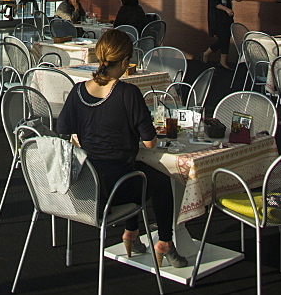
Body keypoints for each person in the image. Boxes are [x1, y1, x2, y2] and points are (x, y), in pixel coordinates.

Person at [57, 29, 188, 268]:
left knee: (134, 170)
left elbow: (64, 131)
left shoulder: (77, 92)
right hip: (116, 188)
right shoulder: (128, 94)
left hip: (87, 184)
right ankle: (165, 243)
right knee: (159, 180)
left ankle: (132, 233)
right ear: (126, 62)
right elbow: (150, 143)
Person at [204, 0, 241, 69]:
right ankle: (207, 54)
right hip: (219, 16)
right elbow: (214, 3)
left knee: (226, 37)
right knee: (223, 38)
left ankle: (222, 61)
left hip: (225, 16)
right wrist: (227, 9)